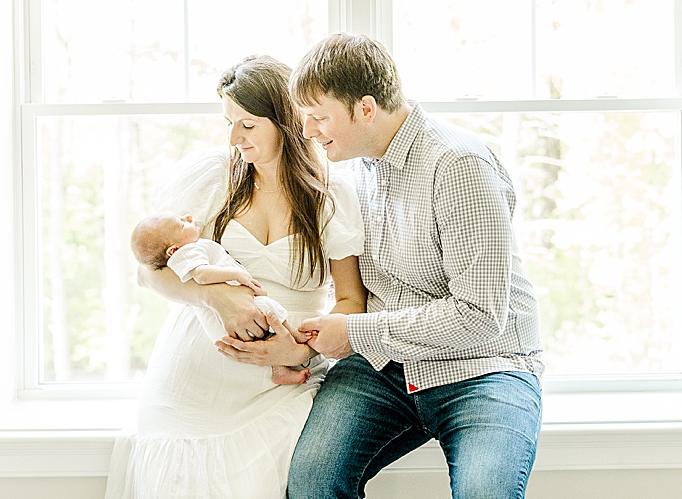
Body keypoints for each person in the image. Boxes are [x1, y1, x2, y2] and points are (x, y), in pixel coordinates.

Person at [280, 33, 545, 498]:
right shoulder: (350, 173)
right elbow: (351, 295)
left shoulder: (458, 164)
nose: (308, 132)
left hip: (484, 368)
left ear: (366, 109)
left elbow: (480, 316)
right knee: (311, 484)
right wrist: (309, 349)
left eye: (319, 117)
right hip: (383, 369)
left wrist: (356, 333)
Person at [105, 55, 368, 499]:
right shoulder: (213, 179)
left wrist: (298, 350)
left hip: (281, 382)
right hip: (191, 385)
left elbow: (350, 303)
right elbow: (148, 275)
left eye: (247, 125)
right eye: (229, 123)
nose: (233, 138)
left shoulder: (331, 194)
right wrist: (216, 300)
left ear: (286, 121)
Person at [128, 211, 314, 385]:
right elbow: (202, 275)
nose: (188, 217)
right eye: (182, 224)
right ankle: (293, 334)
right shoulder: (188, 252)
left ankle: (279, 370)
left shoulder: (185, 251)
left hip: (228, 323)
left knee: (266, 335)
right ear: (173, 250)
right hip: (230, 318)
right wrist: (235, 275)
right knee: (268, 308)